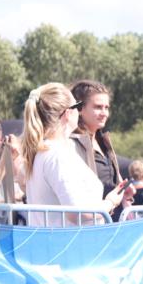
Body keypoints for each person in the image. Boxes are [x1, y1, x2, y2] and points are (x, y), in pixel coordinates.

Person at [22, 83, 132, 226]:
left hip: (58, 238)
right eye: (77, 106)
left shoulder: (45, 151)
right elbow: (78, 213)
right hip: (70, 239)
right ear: (68, 113)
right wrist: (110, 202)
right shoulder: (57, 155)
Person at [70, 80, 123, 199]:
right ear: (80, 108)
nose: (104, 113)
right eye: (98, 107)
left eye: (106, 107)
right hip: (91, 210)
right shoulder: (71, 144)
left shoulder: (104, 141)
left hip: (112, 210)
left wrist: (123, 193)